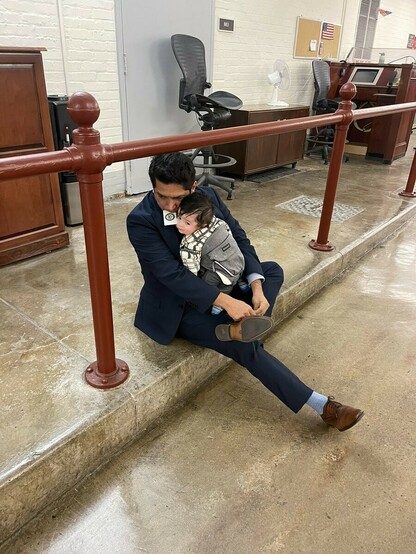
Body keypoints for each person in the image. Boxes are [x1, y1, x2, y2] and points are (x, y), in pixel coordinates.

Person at [126, 152, 364, 431]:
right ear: (153, 187)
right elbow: (171, 275)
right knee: (245, 348)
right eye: (161, 196)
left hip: (220, 281)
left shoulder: (208, 198)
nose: (169, 205)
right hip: (179, 305)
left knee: (271, 271)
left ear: (193, 187)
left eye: (177, 198)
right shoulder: (141, 220)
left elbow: (237, 237)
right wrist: (226, 302)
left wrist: (256, 288)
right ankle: (324, 407)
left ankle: (242, 329)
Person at [176, 192, 257, 319]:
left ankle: (221, 302)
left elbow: (192, 269)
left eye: (187, 223)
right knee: (236, 264)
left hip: (221, 271)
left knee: (208, 283)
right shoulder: (218, 223)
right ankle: (241, 281)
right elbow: (230, 234)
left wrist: (197, 278)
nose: (179, 224)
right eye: (179, 217)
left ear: (202, 224)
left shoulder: (190, 244)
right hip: (238, 261)